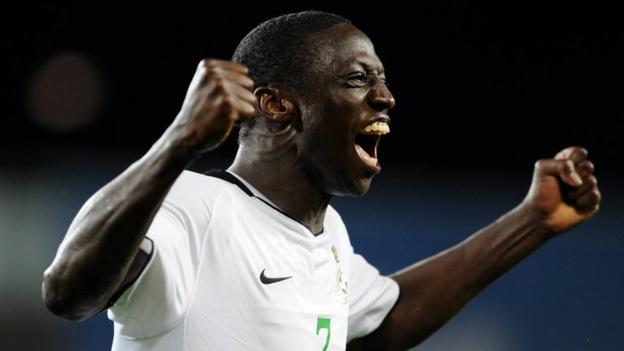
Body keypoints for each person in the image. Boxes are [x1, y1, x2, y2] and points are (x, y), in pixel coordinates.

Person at [42, 11, 601, 351]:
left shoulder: (325, 234)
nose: (385, 96)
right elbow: (67, 291)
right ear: (278, 104)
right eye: (358, 79)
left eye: (381, 80)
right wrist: (180, 140)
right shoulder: (195, 205)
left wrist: (533, 222)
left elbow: (384, 321)